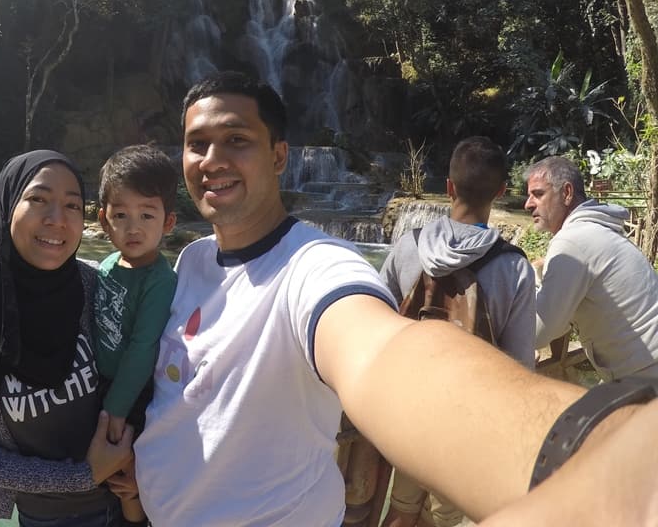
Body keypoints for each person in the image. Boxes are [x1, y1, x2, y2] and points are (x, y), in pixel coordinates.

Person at [92, 70, 658, 527]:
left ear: (280, 155)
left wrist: (601, 460)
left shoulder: (316, 266)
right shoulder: (189, 261)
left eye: (237, 139)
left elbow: (387, 355)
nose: (212, 159)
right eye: (197, 144)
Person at [0, 150, 132, 527]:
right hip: (48, 517)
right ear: (7, 206)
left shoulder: (94, 285)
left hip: (134, 498)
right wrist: (82, 476)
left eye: (72, 205)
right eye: (38, 199)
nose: (57, 219)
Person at [379, 136, 537, 527]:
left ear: (448, 187)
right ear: (501, 192)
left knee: (400, 508)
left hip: (406, 414)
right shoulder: (514, 267)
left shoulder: (407, 247)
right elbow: (520, 365)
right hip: (469, 420)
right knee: (446, 517)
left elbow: (375, 320)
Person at [94, 144, 179, 526]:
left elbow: (144, 348)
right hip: (101, 386)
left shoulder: (160, 281)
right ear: (103, 219)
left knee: (129, 478)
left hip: (134, 394)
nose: (133, 227)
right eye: (121, 215)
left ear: (168, 223)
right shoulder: (109, 263)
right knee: (106, 475)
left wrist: (115, 408)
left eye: (147, 214)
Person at [524, 155, 658, 381]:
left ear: (566, 193)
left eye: (538, 194)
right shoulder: (596, 230)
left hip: (645, 374)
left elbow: (538, 333)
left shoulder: (572, 241)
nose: (527, 204)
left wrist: (534, 280)